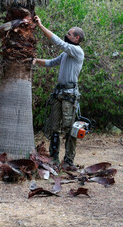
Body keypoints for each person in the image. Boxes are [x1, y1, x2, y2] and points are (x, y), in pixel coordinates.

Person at [33, 15, 84, 170]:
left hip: (69, 95)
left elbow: (58, 42)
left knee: (70, 129)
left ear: (76, 38)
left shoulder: (76, 51)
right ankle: (53, 158)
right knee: (54, 127)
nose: (66, 36)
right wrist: (34, 60)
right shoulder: (65, 54)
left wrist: (41, 26)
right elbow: (50, 63)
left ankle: (68, 161)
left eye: (69, 34)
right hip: (59, 93)